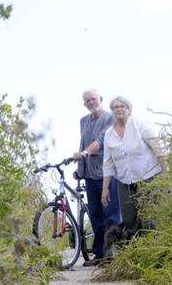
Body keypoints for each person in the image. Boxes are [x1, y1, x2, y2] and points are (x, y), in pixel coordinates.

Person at [101, 96, 167, 239]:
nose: (118, 109)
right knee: (129, 220)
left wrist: (165, 174)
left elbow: (158, 147)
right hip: (124, 181)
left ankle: (156, 250)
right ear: (111, 111)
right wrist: (105, 188)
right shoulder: (109, 134)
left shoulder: (139, 124)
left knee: (150, 218)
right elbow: (107, 163)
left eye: (122, 106)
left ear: (129, 110)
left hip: (147, 177)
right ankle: (136, 253)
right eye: (115, 107)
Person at [72, 89, 120, 266]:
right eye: (87, 101)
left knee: (111, 213)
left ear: (100, 99)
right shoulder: (83, 121)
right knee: (95, 215)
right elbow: (82, 144)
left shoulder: (110, 118)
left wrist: (84, 153)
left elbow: (100, 141)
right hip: (90, 175)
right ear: (84, 104)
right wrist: (80, 169)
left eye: (93, 99)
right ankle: (100, 255)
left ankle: (114, 254)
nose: (91, 102)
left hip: (106, 173)